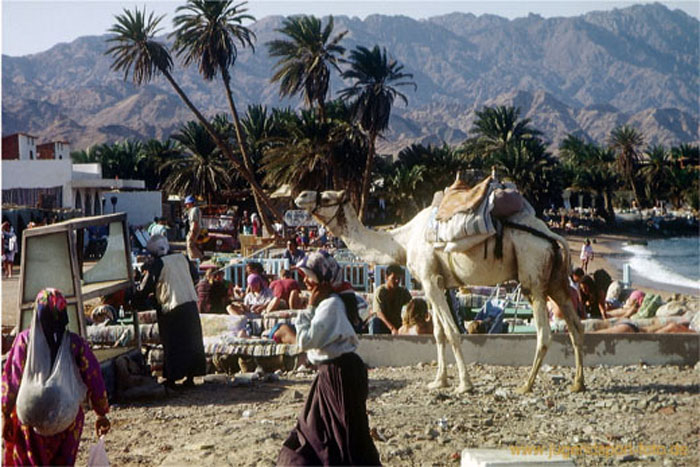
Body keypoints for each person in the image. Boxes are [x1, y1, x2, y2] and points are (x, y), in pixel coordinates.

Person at [277, 252, 380, 466]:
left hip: (338, 373)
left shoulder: (330, 305)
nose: (305, 281)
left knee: (344, 436)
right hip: (335, 373)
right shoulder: (334, 301)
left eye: (309, 276)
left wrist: (310, 307)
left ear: (323, 279)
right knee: (328, 430)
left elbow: (306, 340)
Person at [2, 288, 111, 465]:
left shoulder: (24, 341)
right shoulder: (75, 344)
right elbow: (94, 377)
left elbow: (11, 379)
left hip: (30, 421)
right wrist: (101, 412)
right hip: (65, 419)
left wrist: (6, 414)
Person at [135, 235, 206, 390]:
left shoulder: (158, 264)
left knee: (173, 344)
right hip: (190, 304)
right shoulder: (182, 258)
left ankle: (172, 378)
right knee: (191, 342)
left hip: (171, 308)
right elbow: (195, 277)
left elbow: (144, 288)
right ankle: (190, 378)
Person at [369, 264, 412, 335]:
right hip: (384, 324)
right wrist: (392, 328)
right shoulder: (380, 291)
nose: (397, 281)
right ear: (386, 277)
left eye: (399, 278)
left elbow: (411, 306)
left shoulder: (403, 291)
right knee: (375, 321)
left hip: (398, 323)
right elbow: (379, 313)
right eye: (393, 278)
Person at [184, 195, 203, 261]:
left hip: (194, 229)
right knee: (191, 244)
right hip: (196, 229)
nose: (186, 205)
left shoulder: (194, 210)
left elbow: (195, 222)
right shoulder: (197, 210)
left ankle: (196, 257)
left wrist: (192, 232)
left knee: (190, 244)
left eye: (187, 204)